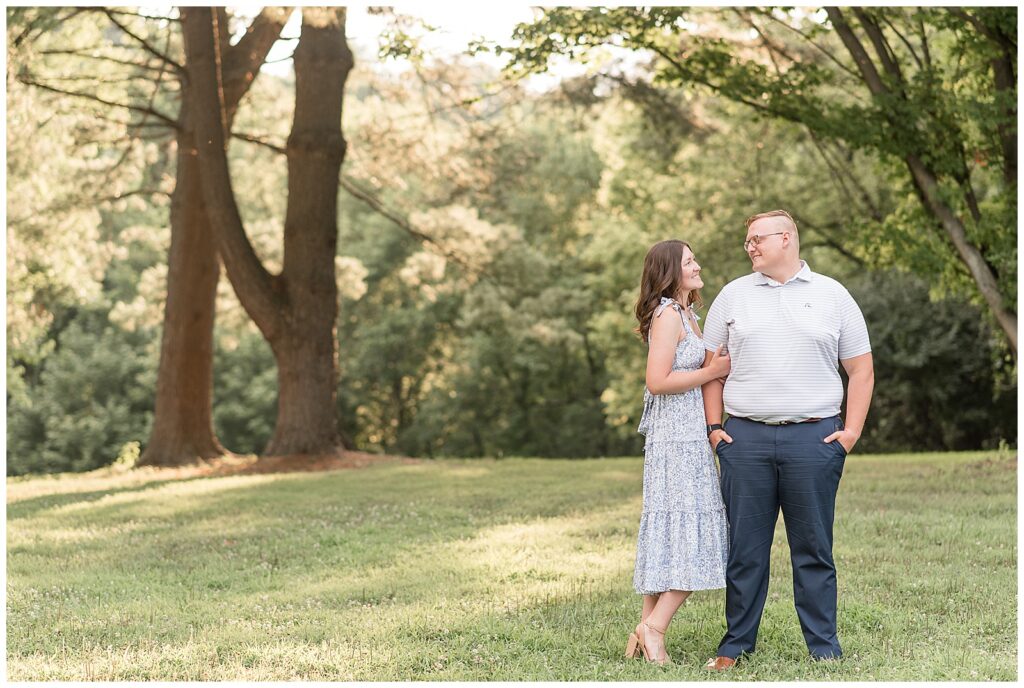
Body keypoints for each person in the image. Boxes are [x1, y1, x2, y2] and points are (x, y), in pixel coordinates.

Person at [700, 210, 874, 670]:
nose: (750, 247)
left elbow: (861, 369)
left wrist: (850, 433)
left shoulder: (833, 295)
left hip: (815, 440)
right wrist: (715, 430)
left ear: (787, 239)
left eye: (758, 239)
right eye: (748, 241)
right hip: (745, 441)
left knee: (814, 549)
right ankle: (734, 646)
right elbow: (710, 371)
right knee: (745, 551)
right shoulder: (733, 296)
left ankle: (824, 648)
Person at [626, 239, 732, 666]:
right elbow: (657, 381)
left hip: (687, 434)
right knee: (695, 538)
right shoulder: (668, 315)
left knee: (675, 534)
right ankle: (654, 628)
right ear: (671, 270)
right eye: (689, 261)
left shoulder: (688, 314)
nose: (698, 265)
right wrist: (713, 370)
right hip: (676, 440)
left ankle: (645, 630)